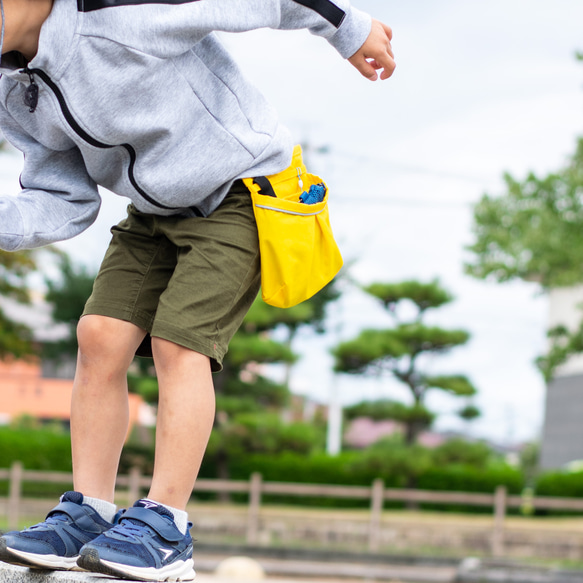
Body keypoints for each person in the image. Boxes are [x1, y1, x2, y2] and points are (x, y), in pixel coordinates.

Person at [0, 0, 395, 580]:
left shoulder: (120, 15)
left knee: (178, 344)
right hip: (154, 209)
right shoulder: (13, 91)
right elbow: (65, 196)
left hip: (242, 187)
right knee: (99, 334)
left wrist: (350, 30)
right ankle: (88, 514)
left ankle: (166, 527)